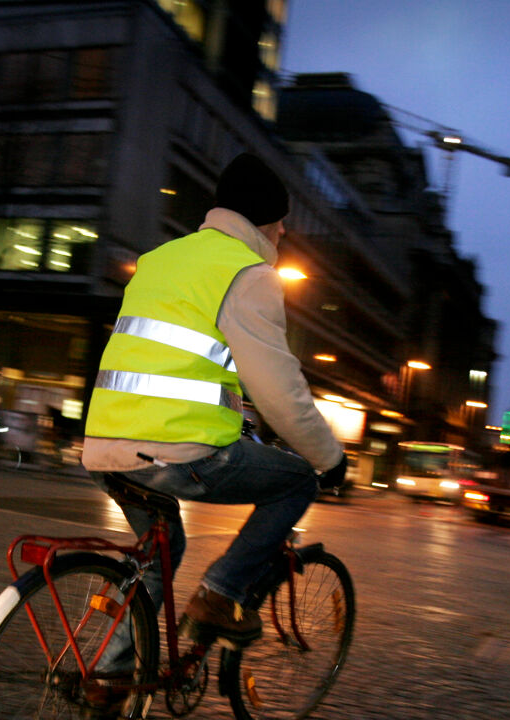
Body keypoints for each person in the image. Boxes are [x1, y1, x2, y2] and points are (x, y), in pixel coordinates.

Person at [82, 152, 347, 668]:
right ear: (264, 221)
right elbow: (280, 392)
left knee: (161, 556)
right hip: (178, 451)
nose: (285, 231)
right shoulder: (247, 275)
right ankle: (220, 594)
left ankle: (108, 679)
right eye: (282, 221)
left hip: (103, 445)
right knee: (297, 482)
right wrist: (328, 458)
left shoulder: (163, 258)